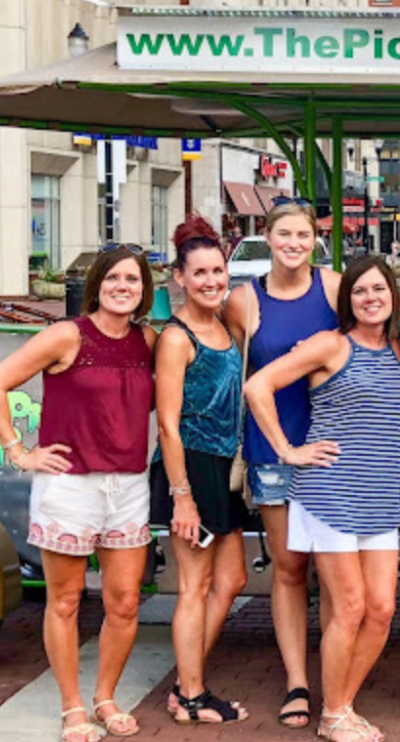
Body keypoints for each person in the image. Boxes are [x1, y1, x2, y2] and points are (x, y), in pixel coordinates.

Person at [0, 247, 157, 742]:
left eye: (133, 280)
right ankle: (72, 705)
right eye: (114, 278)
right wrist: (19, 452)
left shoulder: (148, 340)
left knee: (125, 602)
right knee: (65, 600)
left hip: (129, 485)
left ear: (145, 290)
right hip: (70, 484)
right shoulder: (67, 335)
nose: (123, 287)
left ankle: (106, 697)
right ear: (97, 284)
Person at [244, 256, 400, 742]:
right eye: (360, 291)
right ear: (347, 300)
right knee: (350, 606)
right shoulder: (331, 344)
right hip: (330, 493)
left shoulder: (399, 349)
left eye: (379, 289)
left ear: (392, 294)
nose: (371, 298)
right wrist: (287, 450)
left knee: (381, 610)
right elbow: (258, 386)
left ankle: (342, 705)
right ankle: (334, 714)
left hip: (381, 499)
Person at [224, 200, 341, 729]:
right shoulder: (243, 301)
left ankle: (336, 681)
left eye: (304, 235)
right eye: (284, 234)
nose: (294, 244)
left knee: (334, 572)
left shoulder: (335, 288)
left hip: (333, 450)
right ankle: (297, 681)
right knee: (290, 568)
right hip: (273, 450)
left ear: (315, 239)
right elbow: (232, 368)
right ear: (267, 237)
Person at [150, 216, 249, 725]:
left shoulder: (223, 324)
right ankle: (191, 695)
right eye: (200, 273)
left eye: (218, 271)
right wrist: (182, 496)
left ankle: (184, 683)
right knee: (194, 585)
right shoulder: (177, 337)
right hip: (189, 466)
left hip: (223, 469)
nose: (211, 281)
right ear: (180, 278)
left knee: (230, 579)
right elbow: (167, 425)